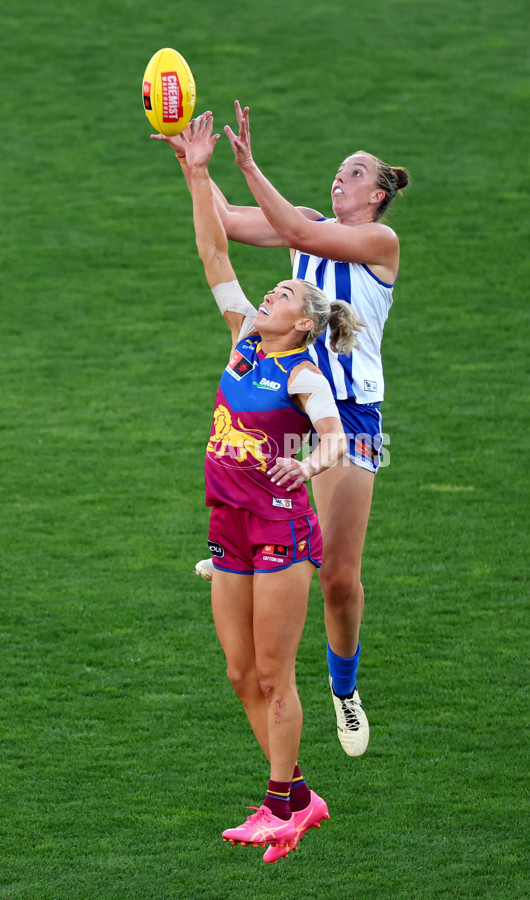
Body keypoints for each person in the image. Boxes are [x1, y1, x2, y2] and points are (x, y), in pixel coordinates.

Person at [153, 102, 409, 758]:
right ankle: (243, 558)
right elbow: (225, 225)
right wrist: (188, 160)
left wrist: (247, 164)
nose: (341, 177)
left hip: (352, 415)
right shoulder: (309, 226)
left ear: (377, 195)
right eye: (340, 170)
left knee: (340, 578)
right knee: (261, 475)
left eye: (355, 173)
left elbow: (293, 228)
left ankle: (344, 687)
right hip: (288, 398)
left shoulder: (380, 244)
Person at [172, 113, 363, 862]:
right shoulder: (244, 342)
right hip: (229, 523)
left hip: (280, 529)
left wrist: (307, 466)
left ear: (302, 324)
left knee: (276, 671)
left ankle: (285, 805)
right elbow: (213, 251)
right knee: (240, 671)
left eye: (280, 294)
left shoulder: (302, 372)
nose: (268, 296)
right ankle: (296, 796)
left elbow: (335, 438)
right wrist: (197, 172)